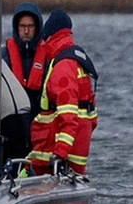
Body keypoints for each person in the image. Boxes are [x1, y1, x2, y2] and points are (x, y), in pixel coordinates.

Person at [26, 9, 97, 177]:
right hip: (71, 153)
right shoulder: (76, 62)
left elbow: (69, 116)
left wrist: (60, 153)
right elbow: (91, 117)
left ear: (50, 37)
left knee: (22, 175)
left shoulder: (62, 68)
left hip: (54, 156)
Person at [4, 2, 46, 111]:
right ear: (16, 28)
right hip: (13, 116)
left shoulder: (48, 56)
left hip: (40, 116)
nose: (26, 31)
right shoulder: (4, 55)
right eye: (22, 26)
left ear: (37, 28)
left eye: (30, 26)